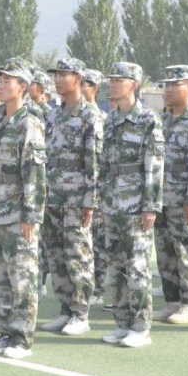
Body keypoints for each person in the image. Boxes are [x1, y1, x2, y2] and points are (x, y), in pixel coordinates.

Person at [0, 60, 46, 359]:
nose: (2, 85)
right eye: (1, 80)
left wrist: (31, 215)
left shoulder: (28, 123)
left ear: (23, 87)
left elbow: (34, 173)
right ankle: (6, 331)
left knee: (22, 278)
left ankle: (22, 339)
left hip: (18, 212)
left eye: (8, 81)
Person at [36, 58, 103, 336]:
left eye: (64, 75)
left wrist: (91, 200)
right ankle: (65, 309)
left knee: (78, 255)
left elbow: (94, 162)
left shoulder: (89, 115)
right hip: (53, 195)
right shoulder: (54, 114)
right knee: (56, 255)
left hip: (76, 197)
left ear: (78, 79)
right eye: (56, 75)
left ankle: (81, 313)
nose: (58, 79)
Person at [99, 62, 164, 348]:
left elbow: (154, 165)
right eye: (112, 80)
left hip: (136, 203)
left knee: (137, 267)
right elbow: (103, 164)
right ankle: (123, 323)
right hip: (112, 203)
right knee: (116, 267)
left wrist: (151, 205)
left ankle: (141, 327)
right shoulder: (110, 119)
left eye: (120, 80)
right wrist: (101, 199)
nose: (113, 84)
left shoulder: (148, 119)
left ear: (134, 85)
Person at [152, 65, 188, 325]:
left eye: (174, 85)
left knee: (186, 252)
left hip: (183, 198)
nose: (167, 90)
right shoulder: (162, 120)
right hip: (160, 198)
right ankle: (172, 302)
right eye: (165, 85)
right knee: (164, 253)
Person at [81, 68, 108, 306]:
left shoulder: (102, 119)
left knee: (97, 243)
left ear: (95, 89)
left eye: (85, 84)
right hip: (75, 191)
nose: (80, 87)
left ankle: (98, 289)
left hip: (97, 191)